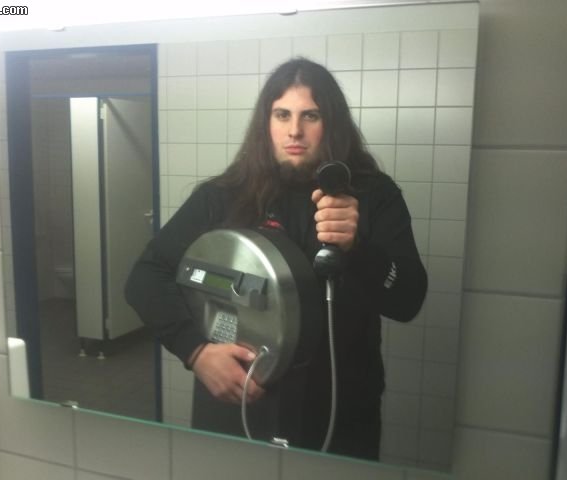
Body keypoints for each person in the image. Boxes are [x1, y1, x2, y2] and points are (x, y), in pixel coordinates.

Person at [125, 57, 427, 460]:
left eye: (310, 116)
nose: (294, 130)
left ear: (332, 123)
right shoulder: (223, 196)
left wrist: (358, 248)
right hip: (242, 398)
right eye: (282, 114)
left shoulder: (373, 196)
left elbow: (408, 300)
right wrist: (195, 351)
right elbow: (145, 277)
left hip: (340, 410)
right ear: (265, 122)